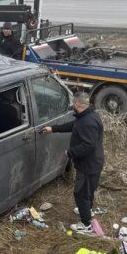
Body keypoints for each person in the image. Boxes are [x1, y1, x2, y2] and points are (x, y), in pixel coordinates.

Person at [41, 91, 105, 234]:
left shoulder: (87, 122)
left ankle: (86, 225)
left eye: (72, 104)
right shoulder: (88, 115)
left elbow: (88, 146)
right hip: (93, 162)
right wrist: (54, 129)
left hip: (88, 165)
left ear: (77, 104)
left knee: (80, 193)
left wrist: (70, 152)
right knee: (87, 190)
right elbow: (74, 125)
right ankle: (86, 210)